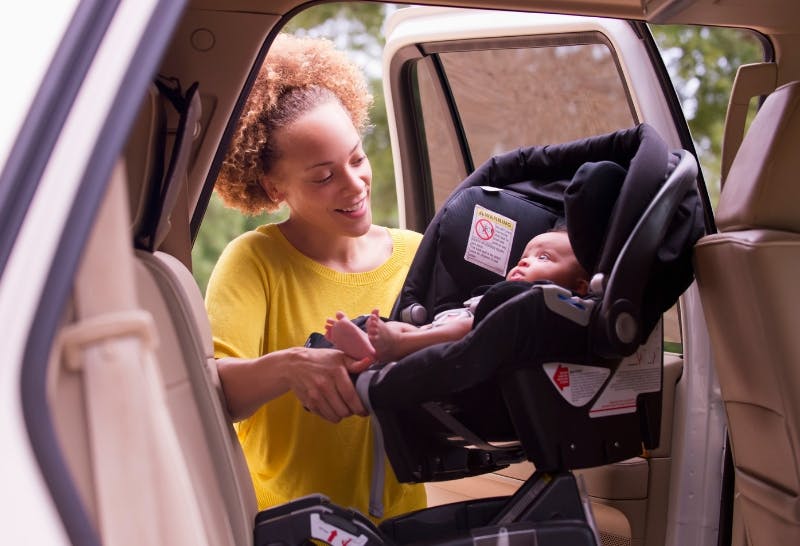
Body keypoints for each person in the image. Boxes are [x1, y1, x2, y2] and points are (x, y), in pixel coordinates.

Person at [205, 33, 425, 520]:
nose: (354, 184)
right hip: (290, 526)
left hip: (405, 525)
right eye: (323, 177)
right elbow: (213, 391)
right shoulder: (255, 261)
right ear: (273, 186)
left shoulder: (416, 252)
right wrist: (291, 366)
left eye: (357, 158)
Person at [324, 227, 590, 363]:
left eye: (543, 258)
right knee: (402, 325)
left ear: (579, 286)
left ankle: (394, 346)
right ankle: (370, 345)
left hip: (473, 331)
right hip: (453, 321)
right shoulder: (510, 290)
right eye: (524, 256)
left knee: (465, 326)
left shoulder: (568, 306)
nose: (524, 262)